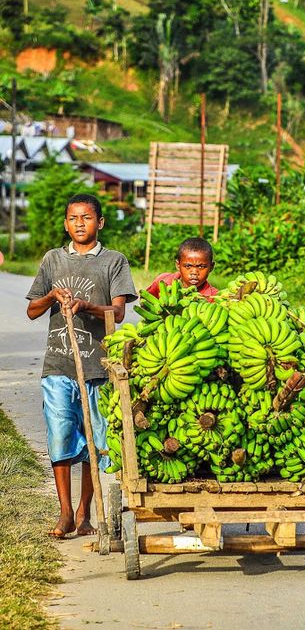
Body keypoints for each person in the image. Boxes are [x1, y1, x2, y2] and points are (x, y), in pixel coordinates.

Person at [26, 193, 137, 539]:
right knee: (59, 436)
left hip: (98, 367)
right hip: (58, 364)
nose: (79, 224)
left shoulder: (113, 261)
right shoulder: (53, 260)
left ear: (99, 223)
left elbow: (117, 313)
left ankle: (85, 513)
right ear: (66, 223)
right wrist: (52, 297)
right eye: (73, 218)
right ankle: (64, 512)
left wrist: (87, 305)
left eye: (86, 218)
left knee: (95, 440)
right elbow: (32, 311)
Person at [147, 236, 218, 301]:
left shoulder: (214, 297)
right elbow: (145, 302)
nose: (194, 272)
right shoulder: (163, 282)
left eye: (201, 267)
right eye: (188, 266)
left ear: (211, 267)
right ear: (178, 265)